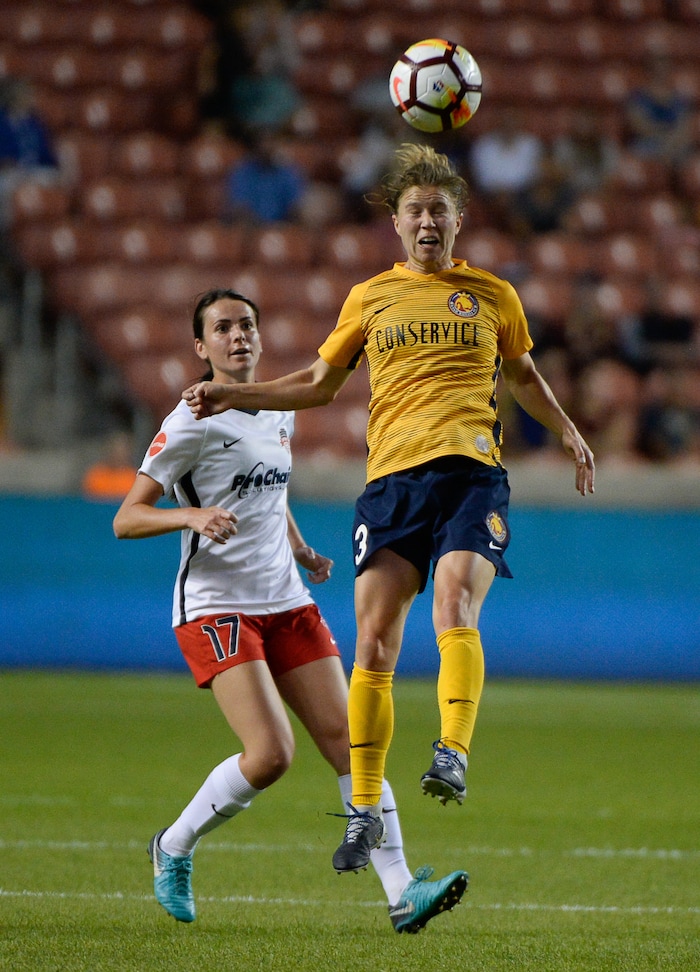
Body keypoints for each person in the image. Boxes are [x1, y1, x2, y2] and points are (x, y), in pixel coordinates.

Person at [181, 146, 596, 874]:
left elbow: (524, 374)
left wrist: (567, 431)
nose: (428, 221)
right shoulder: (370, 298)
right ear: (397, 225)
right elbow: (316, 383)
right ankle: (364, 811)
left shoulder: (494, 295)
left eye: (440, 210)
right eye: (416, 211)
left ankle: (452, 751)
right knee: (373, 645)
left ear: (459, 221)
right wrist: (232, 392)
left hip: (470, 475)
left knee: (455, 608)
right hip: (392, 485)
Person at [113, 287, 467, 933]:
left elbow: (268, 493)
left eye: (247, 323)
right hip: (217, 606)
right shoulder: (192, 420)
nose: (239, 335)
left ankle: (401, 893)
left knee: (354, 745)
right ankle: (173, 845)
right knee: (271, 754)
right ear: (201, 347)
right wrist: (191, 515)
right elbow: (126, 516)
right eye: (223, 328)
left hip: (285, 599)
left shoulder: (278, 408)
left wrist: (300, 547)